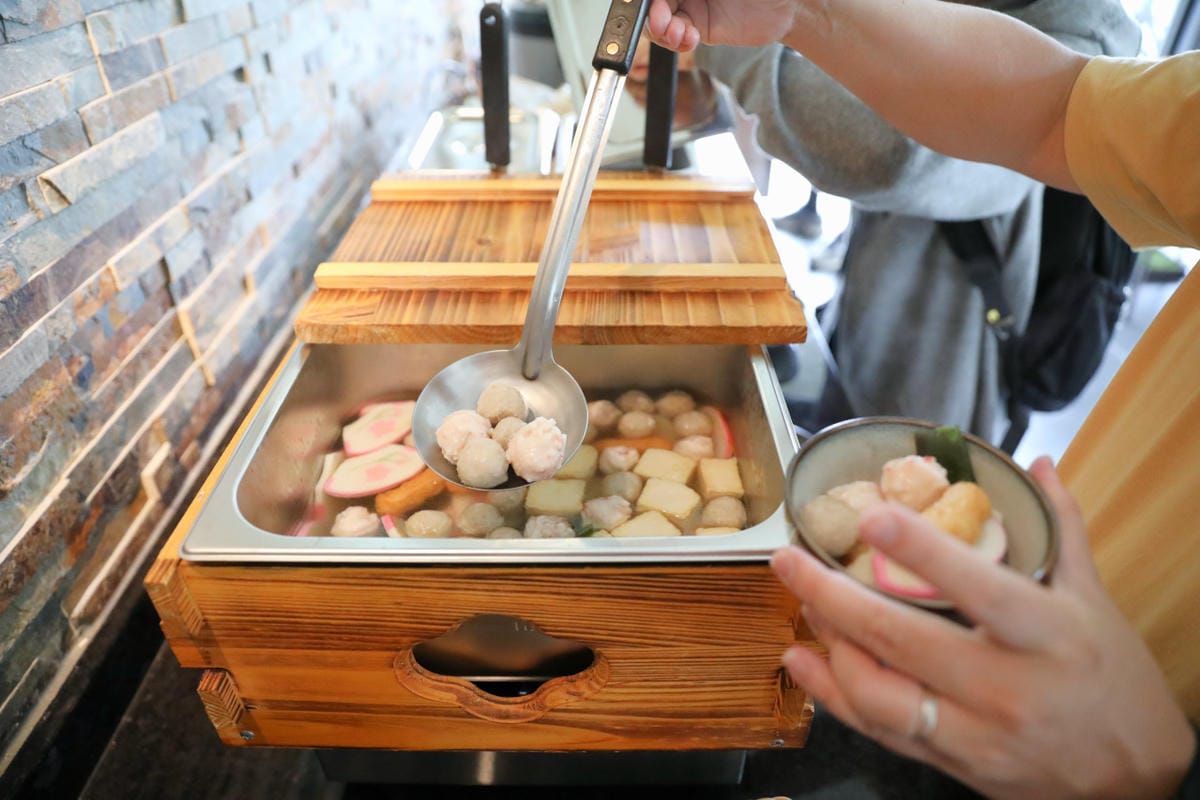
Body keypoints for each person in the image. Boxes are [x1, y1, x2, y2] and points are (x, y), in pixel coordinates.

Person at [646, 0, 1200, 797]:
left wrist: (1154, 775)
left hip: (1108, 751)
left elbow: (887, 155)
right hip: (1018, 616)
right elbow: (1052, 108)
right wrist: (797, 10)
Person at [655, 2, 1139, 443]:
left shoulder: (1079, 29)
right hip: (867, 313)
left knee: (902, 486)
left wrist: (727, 51)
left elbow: (886, 152)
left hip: (949, 365)